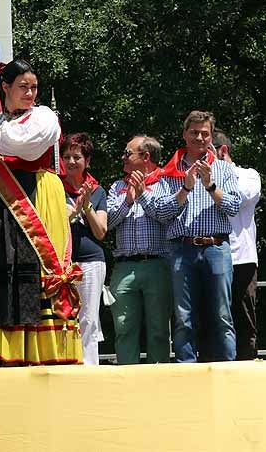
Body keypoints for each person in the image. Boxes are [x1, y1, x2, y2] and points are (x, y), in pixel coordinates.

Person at [0, 59, 82, 367]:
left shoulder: (42, 117)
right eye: (23, 87)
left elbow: (26, 145)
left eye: (33, 87)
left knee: (35, 263)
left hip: (34, 194)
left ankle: (43, 349)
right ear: (6, 87)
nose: (29, 93)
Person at [154, 110, 241, 363]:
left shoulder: (223, 169)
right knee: (183, 316)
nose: (200, 138)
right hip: (183, 249)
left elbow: (234, 207)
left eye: (205, 133)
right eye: (194, 133)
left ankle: (227, 368)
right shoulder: (169, 171)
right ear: (184, 134)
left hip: (216, 247)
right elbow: (162, 212)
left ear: (211, 136)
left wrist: (210, 185)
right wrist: (187, 187)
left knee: (223, 314)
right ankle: (185, 370)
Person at [106, 135, 172, 364]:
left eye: (127, 153)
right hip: (124, 265)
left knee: (159, 330)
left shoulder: (166, 184)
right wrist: (128, 202)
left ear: (145, 157)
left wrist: (142, 195)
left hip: (157, 264)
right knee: (123, 328)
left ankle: (160, 380)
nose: (122, 158)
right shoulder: (117, 187)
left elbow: (166, 217)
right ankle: (127, 379)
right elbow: (107, 224)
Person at [212, 130, 261, 360]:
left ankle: (247, 364)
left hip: (242, 257)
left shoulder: (248, 175)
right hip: (211, 254)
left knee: (244, 318)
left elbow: (238, 198)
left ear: (223, 151)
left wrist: (216, 177)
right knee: (213, 318)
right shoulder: (199, 176)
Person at [60, 132, 108, 365]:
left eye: (76, 157)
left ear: (87, 161)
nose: (70, 162)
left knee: (88, 318)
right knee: (63, 318)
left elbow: (101, 231)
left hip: (90, 262)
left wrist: (86, 206)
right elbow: (55, 221)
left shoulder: (97, 191)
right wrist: (75, 209)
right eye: (66, 156)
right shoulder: (53, 187)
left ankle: (89, 368)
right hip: (60, 263)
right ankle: (66, 363)